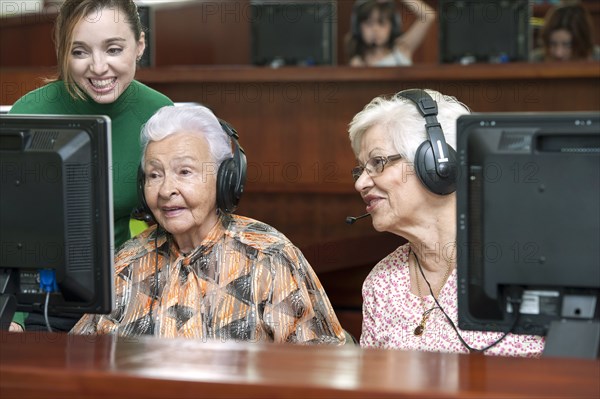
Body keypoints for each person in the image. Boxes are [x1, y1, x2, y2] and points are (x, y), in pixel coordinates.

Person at [70, 104, 346, 344]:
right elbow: (79, 360)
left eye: (184, 171)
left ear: (225, 178)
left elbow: (318, 367)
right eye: (154, 175)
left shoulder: (268, 257)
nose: (166, 190)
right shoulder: (128, 262)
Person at [9, 0, 173, 332]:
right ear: (63, 52)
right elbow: (9, 226)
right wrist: (12, 316)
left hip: (129, 298)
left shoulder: (159, 113)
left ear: (139, 45)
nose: (98, 68)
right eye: (80, 52)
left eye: (113, 49)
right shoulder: (31, 113)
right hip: (40, 300)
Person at [348, 88, 545, 356]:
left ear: (439, 164)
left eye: (378, 162)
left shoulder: (525, 263)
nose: (361, 183)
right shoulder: (381, 282)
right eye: (361, 169)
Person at [346, 0, 436, 67]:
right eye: (369, 23)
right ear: (357, 28)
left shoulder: (402, 48)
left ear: (393, 26)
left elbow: (428, 16)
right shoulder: (357, 62)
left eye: (381, 23)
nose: (375, 29)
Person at [531, 1, 600, 62]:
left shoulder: (597, 58)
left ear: (582, 44)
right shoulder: (534, 60)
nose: (558, 53)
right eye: (552, 44)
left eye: (567, 45)